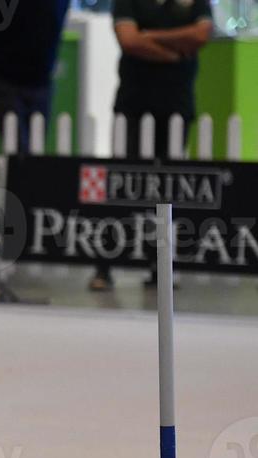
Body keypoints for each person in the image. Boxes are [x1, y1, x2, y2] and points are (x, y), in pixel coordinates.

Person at [90, 0, 213, 292]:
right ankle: (104, 267)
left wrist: (151, 36)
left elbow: (201, 36)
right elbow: (129, 41)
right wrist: (174, 53)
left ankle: (161, 268)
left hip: (176, 106)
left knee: (168, 189)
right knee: (122, 188)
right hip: (134, 105)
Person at [0, 0, 73, 155]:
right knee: (17, 151)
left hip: (40, 82)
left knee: (35, 151)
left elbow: (54, 29)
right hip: (6, 82)